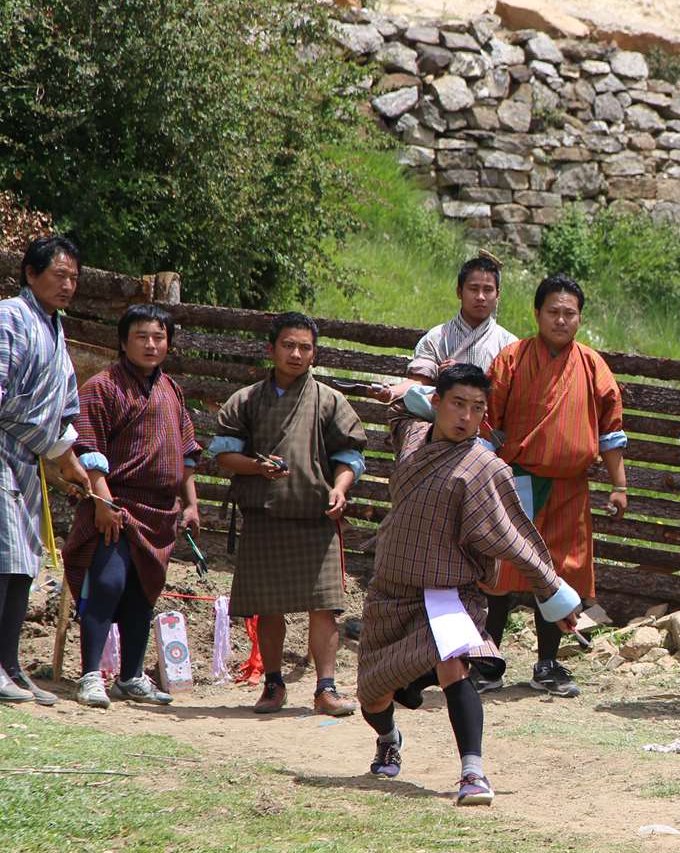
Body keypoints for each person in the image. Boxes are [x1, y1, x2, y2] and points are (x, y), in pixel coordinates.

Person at [355, 364, 583, 807]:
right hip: (392, 590)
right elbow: (401, 409)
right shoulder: (413, 437)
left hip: (449, 591)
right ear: (437, 404)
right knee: (372, 695)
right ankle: (388, 737)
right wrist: (409, 390)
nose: (466, 416)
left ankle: (472, 773)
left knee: (454, 664)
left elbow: (513, 539)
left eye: (477, 408)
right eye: (457, 403)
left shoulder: (483, 467)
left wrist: (552, 591)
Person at [208, 311, 366, 717]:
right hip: (264, 515)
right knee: (268, 605)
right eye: (288, 345)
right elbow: (223, 453)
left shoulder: (330, 401)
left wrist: (339, 488)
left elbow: (349, 456)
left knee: (326, 605)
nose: (296, 354)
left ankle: (325, 689)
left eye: (305, 347)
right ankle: (273, 684)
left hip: (316, 518)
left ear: (315, 354)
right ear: (271, 349)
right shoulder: (246, 399)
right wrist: (258, 468)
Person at [483, 274, 627, 697]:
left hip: (569, 489)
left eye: (570, 313)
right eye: (554, 312)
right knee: (500, 575)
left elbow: (611, 431)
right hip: (514, 484)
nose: (561, 320)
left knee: (559, 575)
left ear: (580, 317)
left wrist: (619, 485)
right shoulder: (510, 359)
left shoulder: (592, 365)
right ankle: (489, 662)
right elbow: (488, 425)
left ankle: (547, 664)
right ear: (537, 313)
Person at [65, 305, 204, 709]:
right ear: (124, 341)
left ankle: (130, 676)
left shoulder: (172, 389)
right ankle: (91, 675)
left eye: (159, 337)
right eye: (141, 336)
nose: (150, 344)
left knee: (143, 593)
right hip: (116, 505)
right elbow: (87, 451)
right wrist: (103, 505)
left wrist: (191, 504)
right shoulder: (103, 386)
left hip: (160, 513)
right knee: (107, 584)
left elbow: (187, 455)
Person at [0, 235, 92, 705]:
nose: (69, 285)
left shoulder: (55, 328)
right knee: (4, 559)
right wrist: (55, 446)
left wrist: (72, 460)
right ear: (31, 275)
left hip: (27, 463)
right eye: (60, 275)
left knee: (23, 564)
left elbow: (66, 407)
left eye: (74, 277)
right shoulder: (9, 317)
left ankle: (11, 666)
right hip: (2, 453)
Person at [384, 254, 518, 462]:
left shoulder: (509, 345)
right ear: (459, 291)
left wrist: (463, 375)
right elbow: (420, 381)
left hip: (482, 439)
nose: (481, 296)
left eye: (488, 290)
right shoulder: (437, 337)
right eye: (474, 289)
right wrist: (390, 391)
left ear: (497, 295)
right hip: (437, 435)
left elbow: (509, 397)